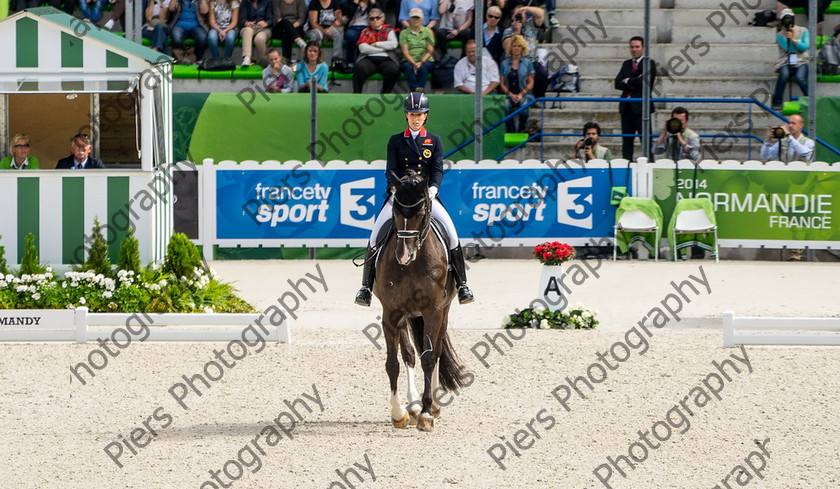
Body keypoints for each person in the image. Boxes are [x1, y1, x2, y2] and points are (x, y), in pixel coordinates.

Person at [354, 92, 474, 307]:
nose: (415, 118)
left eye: (419, 114)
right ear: (406, 116)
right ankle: (365, 287)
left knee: (452, 234)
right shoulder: (396, 141)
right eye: (411, 114)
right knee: (374, 236)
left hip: (425, 197)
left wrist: (433, 189)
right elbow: (391, 170)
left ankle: (463, 284)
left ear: (425, 116)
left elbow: (437, 169)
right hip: (400, 197)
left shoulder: (434, 141)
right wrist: (394, 188)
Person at [614, 36, 657, 161]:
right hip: (626, 108)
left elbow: (644, 83)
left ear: (643, 48)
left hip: (641, 109)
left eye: (637, 47)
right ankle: (626, 168)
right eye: (632, 47)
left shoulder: (650, 63)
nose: (634, 50)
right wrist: (635, 80)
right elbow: (617, 83)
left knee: (646, 141)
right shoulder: (626, 64)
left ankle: (650, 167)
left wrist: (627, 80)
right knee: (627, 142)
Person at [353, 8, 400, 93]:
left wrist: (376, 44)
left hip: (386, 59)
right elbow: (363, 49)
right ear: (369, 21)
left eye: (377, 18)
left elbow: (393, 45)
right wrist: (383, 48)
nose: (375, 20)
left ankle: (385, 94)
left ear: (382, 19)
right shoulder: (365, 31)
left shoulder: (389, 31)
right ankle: (357, 94)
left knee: (393, 70)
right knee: (358, 67)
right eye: (372, 18)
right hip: (368, 59)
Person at [772, 9, 809, 111]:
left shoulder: (804, 30)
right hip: (785, 60)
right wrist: (789, 39)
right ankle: (777, 102)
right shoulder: (780, 35)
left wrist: (793, 39)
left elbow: (805, 47)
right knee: (784, 75)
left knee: (800, 78)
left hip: (801, 60)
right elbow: (789, 49)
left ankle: (811, 99)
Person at [498, 34, 534, 133]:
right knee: (505, 105)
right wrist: (511, 95)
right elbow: (502, 83)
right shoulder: (504, 63)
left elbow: (531, 82)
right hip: (509, 95)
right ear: (510, 48)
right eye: (514, 46)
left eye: (519, 46)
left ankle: (521, 128)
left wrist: (520, 94)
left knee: (523, 104)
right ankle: (511, 129)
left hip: (525, 94)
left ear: (522, 48)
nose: (516, 48)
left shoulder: (528, 62)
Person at [399, 8, 436, 92]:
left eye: (418, 18)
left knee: (423, 68)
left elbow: (430, 50)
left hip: (426, 60)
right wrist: (414, 63)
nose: (415, 20)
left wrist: (420, 62)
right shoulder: (403, 33)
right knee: (409, 68)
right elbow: (405, 52)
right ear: (409, 19)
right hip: (408, 60)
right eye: (413, 17)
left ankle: (417, 90)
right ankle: (416, 90)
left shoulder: (428, 32)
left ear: (422, 19)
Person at [342, 0, 379, 69]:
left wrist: (374, 3)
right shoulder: (349, 2)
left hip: (368, 26)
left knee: (369, 36)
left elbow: (379, 14)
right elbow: (349, 14)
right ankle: (350, 62)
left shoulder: (371, 3)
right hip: (353, 26)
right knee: (350, 35)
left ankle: (365, 62)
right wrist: (355, 3)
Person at [306, 0, 345, 66]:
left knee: (338, 33)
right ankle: (314, 62)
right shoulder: (314, 3)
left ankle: (337, 60)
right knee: (317, 35)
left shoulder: (335, 2)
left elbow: (338, 20)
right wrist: (325, 33)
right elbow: (314, 23)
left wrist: (328, 31)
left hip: (330, 28)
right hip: (315, 29)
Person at [239, 0, 274, 66]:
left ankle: (262, 62)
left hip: (264, 29)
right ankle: (247, 58)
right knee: (247, 30)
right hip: (249, 28)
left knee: (259, 39)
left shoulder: (267, 1)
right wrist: (246, 23)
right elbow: (242, 19)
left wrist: (265, 23)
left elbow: (270, 19)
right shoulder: (245, 2)